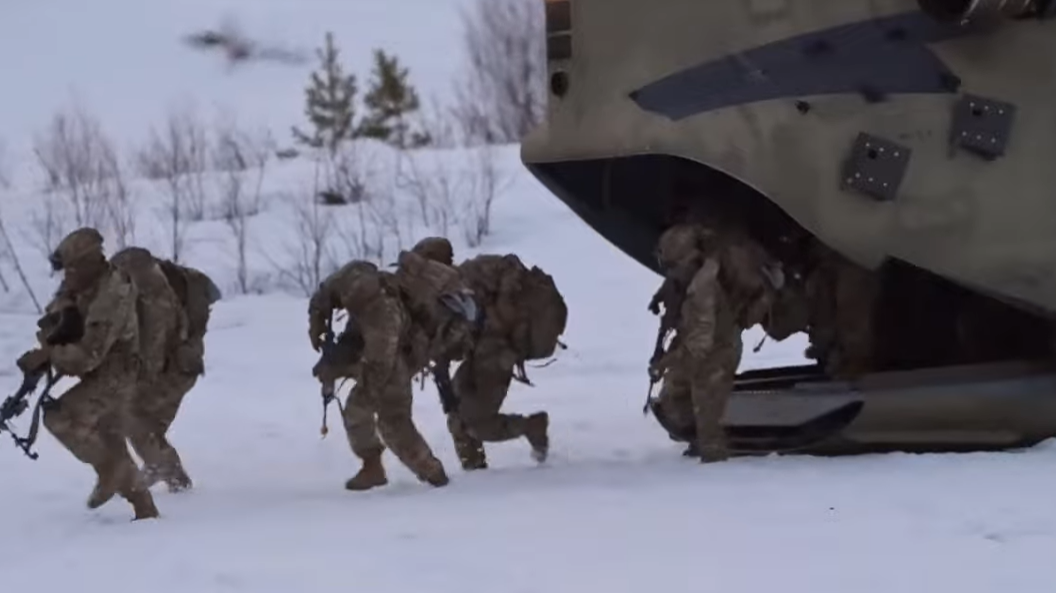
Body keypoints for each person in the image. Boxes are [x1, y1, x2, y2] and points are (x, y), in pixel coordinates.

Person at [17, 228, 159, 519]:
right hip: (99, 370)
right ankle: (144, 510)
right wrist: (56, 330)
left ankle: (110, 471)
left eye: (72, 269)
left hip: (119, 371)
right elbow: (51, 319)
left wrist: (49, 355)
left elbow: (87, 357)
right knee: (108, 436)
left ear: (91, 262)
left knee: (60, 417)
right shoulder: (80, 283)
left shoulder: (112, 294)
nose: (66, 277)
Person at [409, 238, 563, 471]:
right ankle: (474, 470)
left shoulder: (474, 273)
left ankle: (532, 426)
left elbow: (511, 272)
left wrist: (499, 319)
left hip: (497, 352)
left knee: (476, 422)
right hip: (478, 353)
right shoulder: (443, 295)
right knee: (456, 414)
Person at [308, 260, 448, 491]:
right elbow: (322, 297)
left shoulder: (383, 317)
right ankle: (412, 469)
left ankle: (414, 470)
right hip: (371, 345)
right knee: (387, 418)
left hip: (396, 357)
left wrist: (342, 371)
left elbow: (378, 367)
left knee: (384, 416)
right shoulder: (349, 279)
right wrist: (317, 324)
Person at [648, 221, 781, 462]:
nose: (669, 271)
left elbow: (700, 345)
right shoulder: (688, 279)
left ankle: (715, 463)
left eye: (672, 265)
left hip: (717, 352)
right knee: (672, 398)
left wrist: (666, 361)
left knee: (708, 415)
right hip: (695, 346)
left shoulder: (702, 290)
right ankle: (698, 439)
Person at [111, 247, 220, 492]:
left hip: (176, 370)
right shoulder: (150, 289)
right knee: (147, 425)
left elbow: (153, 349)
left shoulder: (156, 301)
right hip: (178, 366)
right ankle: (158, 467)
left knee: (133, 417)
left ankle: (173, 476)